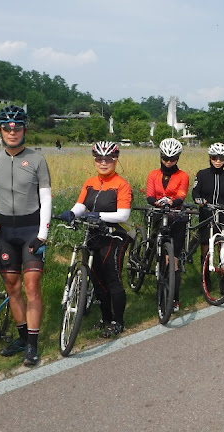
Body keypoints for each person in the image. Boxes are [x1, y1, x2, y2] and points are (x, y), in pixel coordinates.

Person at [0, 106, 52, 367]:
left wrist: (43, 234)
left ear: (24, 130)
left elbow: (46, 197)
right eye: (7, 128)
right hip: (5, 231)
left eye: (17, 127)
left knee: (32, 287)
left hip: (31, 230)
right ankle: (22, 337)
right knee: (12, 288)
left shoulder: (37, 160)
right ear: (0, 130)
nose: (12, 132)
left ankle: (32, 345)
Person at [59, 141, 132, 338]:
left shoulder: (121, 185)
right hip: (93, 232)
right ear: (94, 160)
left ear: (115, 160)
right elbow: (81, 205)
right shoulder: (90, 182)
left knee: (112, 278)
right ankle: (106, 318)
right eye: (99, 159)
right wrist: (72, 213)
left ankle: (118, 322)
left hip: (115, 234)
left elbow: (123, 214)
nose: (103, 163)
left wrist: (98, 215)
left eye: (108, 159)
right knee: (97, 278)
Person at [191, 142, 224, 288]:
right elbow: (195, 192)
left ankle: (223, 283)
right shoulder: (202, 174)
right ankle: (206, 280)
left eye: (221, 158)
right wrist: (199, 200)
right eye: (215, 157)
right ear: (210, 157)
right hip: (207, 214)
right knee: (205, 247)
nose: (218, 161)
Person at [145, 138, 189, 311]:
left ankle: (174, 299)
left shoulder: (183, 176)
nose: (168, 162)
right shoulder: (153, 174)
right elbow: (149, 195)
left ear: (178, 158)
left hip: (176, 216)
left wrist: (172, 203)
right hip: (158, 213)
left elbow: (181, 195)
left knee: (173, 261)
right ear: (161, 156)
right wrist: (157, 203)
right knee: (154, 246)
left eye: (172, 159)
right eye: (165, 158)